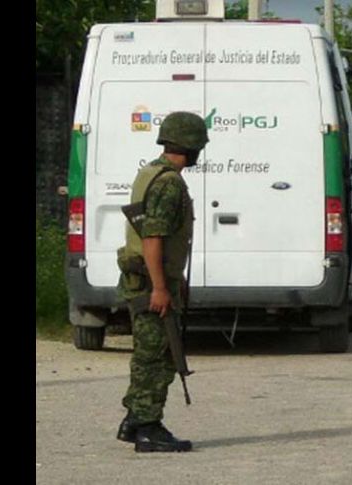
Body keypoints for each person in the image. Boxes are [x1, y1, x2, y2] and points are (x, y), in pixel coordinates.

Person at [115, 111, 209, 452]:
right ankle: (148, 428)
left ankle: (135, 420)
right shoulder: (169, 183)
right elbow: (153, 237)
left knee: (150, 352)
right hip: (148, 283)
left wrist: (173, 277)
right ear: (191, 145)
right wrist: (159, 287)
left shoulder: (150, 172)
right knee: (157, 356)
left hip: (142, 277)